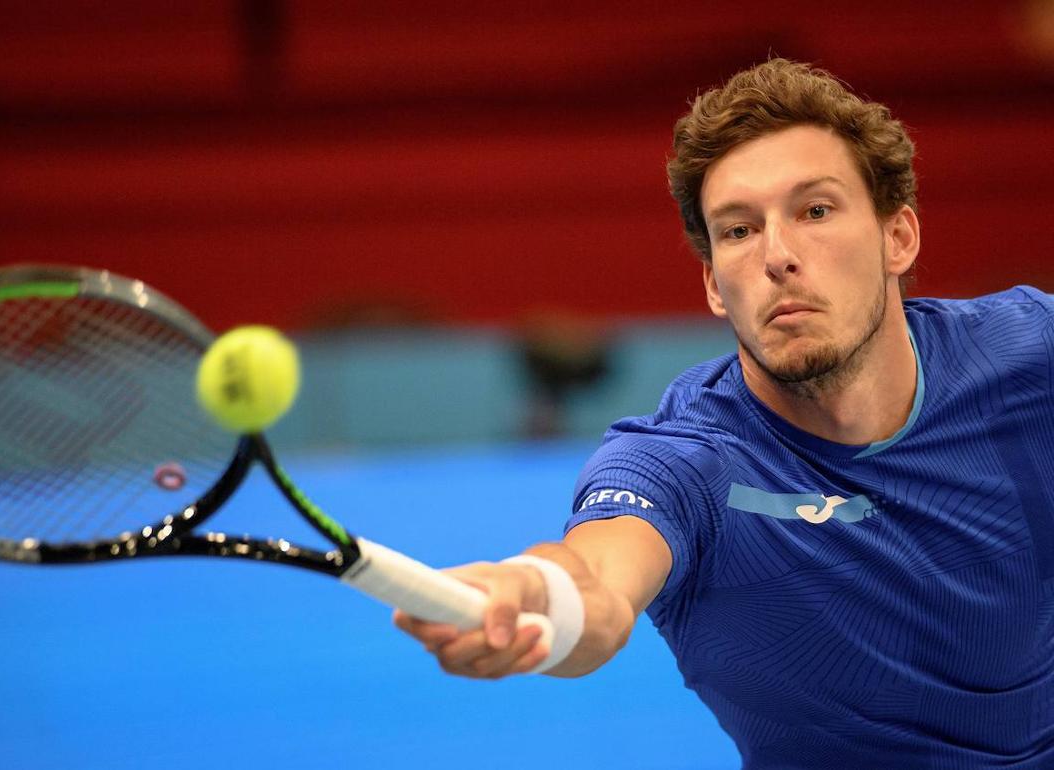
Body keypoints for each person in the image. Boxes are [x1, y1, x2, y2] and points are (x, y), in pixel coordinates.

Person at [395, 58, 1054, 768]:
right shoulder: (684, 463)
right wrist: (537, 595)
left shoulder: (1032, 354)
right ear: (713, 284)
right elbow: (600, 583)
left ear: (899, 238)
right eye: (738, 230)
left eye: (816, 211)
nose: (777, 255)